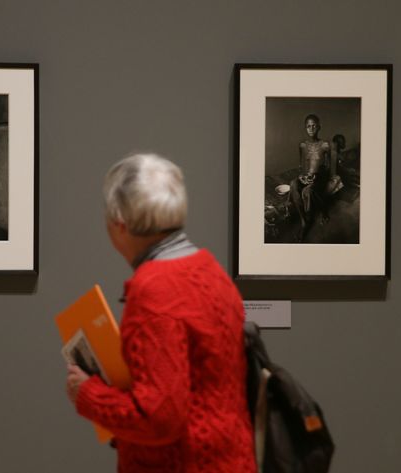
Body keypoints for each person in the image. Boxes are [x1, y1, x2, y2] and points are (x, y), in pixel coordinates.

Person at [65, 153, 256, 473]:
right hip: (230, 458)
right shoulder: (209, 270)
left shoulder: (153, 290)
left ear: (119, 223)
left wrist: (87, 395)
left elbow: (159, 419)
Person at [288, 114, 331, 242]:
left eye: (314, 126)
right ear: (305, 128)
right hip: (308, 177)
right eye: (308, 126)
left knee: (308, 191)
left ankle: (320, 211)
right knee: (293, 184)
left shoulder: (324, 145)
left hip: (320, 178)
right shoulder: (302, 145)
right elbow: (302, 166)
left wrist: (316, 176)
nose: (311, 129)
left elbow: (328, 168)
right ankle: (304, 220)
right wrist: (302, 176)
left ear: (319, 127)